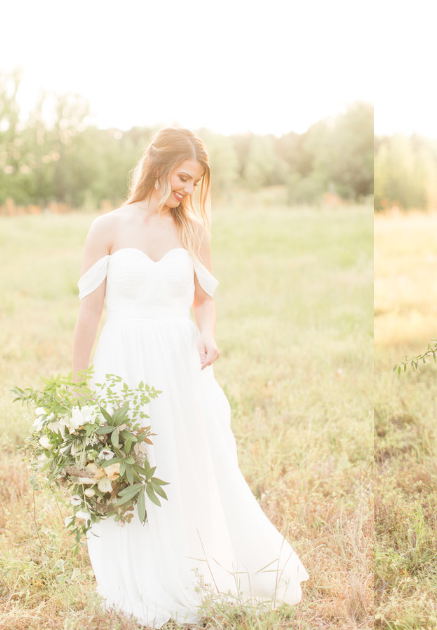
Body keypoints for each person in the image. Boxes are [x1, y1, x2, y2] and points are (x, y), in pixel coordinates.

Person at [72, 128, 309, 626]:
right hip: (125, 361)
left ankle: (194, 562)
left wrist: (207, 333)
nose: (187, 190)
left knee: (188, 462)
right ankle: (142, 570)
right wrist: (79, 386)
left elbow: (204, 301)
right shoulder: (107, 227)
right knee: (130, 465)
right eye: (182, 177)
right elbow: (89, 312)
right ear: (157, 166)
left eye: (194, 182)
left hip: (180, 361)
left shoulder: (193, 230)